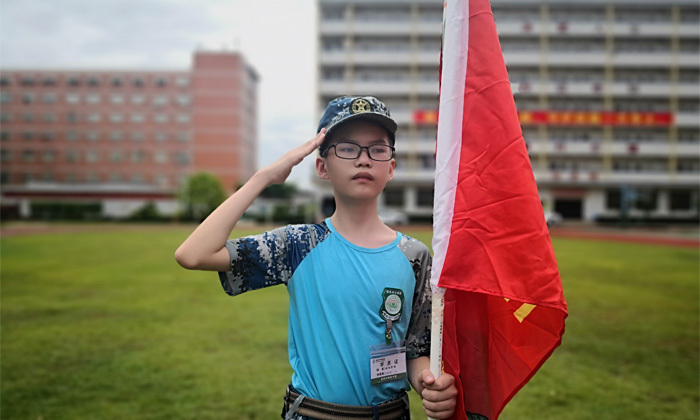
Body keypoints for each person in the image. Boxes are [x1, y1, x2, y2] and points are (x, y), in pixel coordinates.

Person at [175, 96, 457, 419]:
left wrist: (428, 384)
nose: (364, 160)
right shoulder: (298, 245)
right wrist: (263, 177)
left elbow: (415, 350)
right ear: (322, 166)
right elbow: (194, 254)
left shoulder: (414, 256)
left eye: (377, 149)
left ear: (390, 167)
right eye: (348, 148)